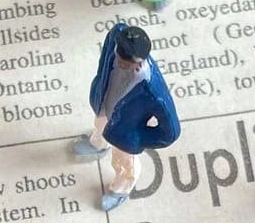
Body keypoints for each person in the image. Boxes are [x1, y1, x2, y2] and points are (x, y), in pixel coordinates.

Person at [72, 23, 180, 211]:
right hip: (104, 107)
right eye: (119, 58)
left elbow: (171, 132)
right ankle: (98, 145)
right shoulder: (117, 37)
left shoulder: (153, 91)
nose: (121, 63)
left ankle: (121, 189)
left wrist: (136, 137)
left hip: (124, 131)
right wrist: (99, 81)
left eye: (127, 63)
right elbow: (107, 54)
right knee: (99, 126)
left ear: (140, 62)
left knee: (123, 163)